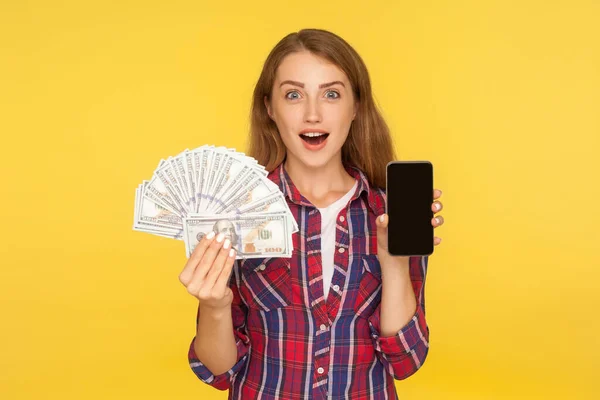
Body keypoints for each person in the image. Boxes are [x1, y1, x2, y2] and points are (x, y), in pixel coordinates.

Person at [178, 28, 445, 399]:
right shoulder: (234, 212)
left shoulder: (391, 213)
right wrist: (214, 306)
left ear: (356, 108)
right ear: (269, 108)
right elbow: (218, 371)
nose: (313, 114)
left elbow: (406, 361)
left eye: (331, 94)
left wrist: (395, 264)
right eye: (293, 95)